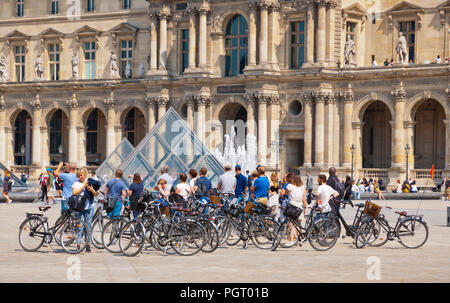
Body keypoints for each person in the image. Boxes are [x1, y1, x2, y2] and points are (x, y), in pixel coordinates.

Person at [72, 167, 98, 253]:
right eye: (79, 176)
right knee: (79, 226)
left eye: (82, 175)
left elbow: (96, 194)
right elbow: (74, 192)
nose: (80, 177)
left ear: (85, 174)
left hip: (89, 207)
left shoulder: (90, 182)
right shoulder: (76, 183)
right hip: (79, 208)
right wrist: (83, 186)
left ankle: (88, 245)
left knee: (88, 226)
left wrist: (92, 190)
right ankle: (78, 244)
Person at [282, 174, 307, 245]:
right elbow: (304, 199)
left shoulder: (290, 186)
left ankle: (291, 240)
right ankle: (298, 239)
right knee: (298, 224)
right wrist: (305, 208)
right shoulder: (303, 187)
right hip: (300, 206)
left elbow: (285, 193)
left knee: (291, 224)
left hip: (292, 205)